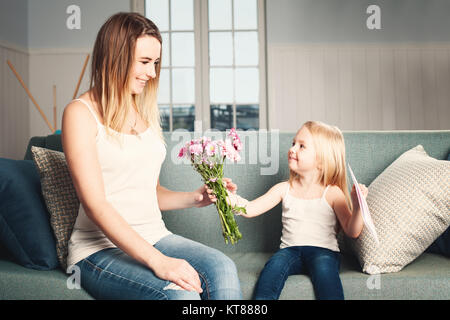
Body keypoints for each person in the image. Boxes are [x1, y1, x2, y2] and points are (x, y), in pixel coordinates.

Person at [61, 12, 242, 300]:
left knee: (222, 267)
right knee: (180, 295)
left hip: (155, 235)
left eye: (155, 63)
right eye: (145, 62)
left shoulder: (143, 111)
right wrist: (159, 261)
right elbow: (96, 205)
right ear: (115, 58)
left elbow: (150, 193)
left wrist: (196, 198)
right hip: (97, 250)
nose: (153, 73)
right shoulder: (79, 114)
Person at [219, 120, 367, 300]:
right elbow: (250, 209)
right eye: (293, 143)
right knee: (271, 271)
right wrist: (225, 195)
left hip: (324, 252)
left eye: (302, 146)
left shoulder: (333, 193)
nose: (293, 149)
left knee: (326, 276)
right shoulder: (284, 188)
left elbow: (352, 231)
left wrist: (358, 206)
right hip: (289, 250)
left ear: (321, 160)